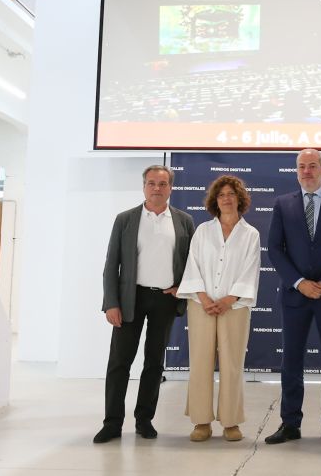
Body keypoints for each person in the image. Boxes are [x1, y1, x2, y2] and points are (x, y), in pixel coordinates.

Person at [94, 165, 195, 444]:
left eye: (163, 184)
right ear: (144, 187)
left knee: (154, 363)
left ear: (170, 188)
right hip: (130, 299)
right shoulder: (125, 219)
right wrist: (111, 303)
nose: (157, 188)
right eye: (151, 183)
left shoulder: (184, 221)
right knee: (119, 363)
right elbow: (111, 264)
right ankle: (112, 423)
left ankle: (144, 420)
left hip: (164, 299)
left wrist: (181, 288)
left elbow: (190, 262)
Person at [264, 149, 321, 446]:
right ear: (296, 172)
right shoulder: (282, 204)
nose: (307, 171)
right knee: (291, 361)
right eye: (301, 167)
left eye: (312, 166)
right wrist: (300, 282)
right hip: (295, 295)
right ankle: (290, 423)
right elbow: (275, 249)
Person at [177, 175, 261, 443]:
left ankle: (230, 422)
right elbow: (193, 265)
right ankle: (201, 421)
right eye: (221, 195)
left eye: (231, 194)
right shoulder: (203, 231)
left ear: (240, 198)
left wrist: (229, 299)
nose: (226, 198)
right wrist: (203, 297)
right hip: (201, 305)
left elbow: (250, 270)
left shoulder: (251, 234)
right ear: (215, 200)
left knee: (232, 364)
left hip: (234, 307)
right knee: (200, 361)